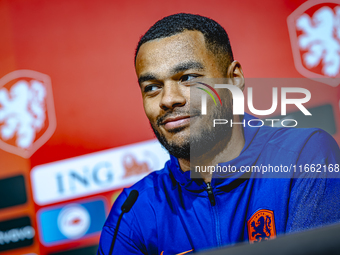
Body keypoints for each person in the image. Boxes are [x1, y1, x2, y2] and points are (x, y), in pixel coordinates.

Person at [97, 13, 340, 255]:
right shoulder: (134, 211)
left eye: (188, 78)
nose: (168, 99)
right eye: (152, 87)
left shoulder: (304, 157)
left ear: (234, 79)